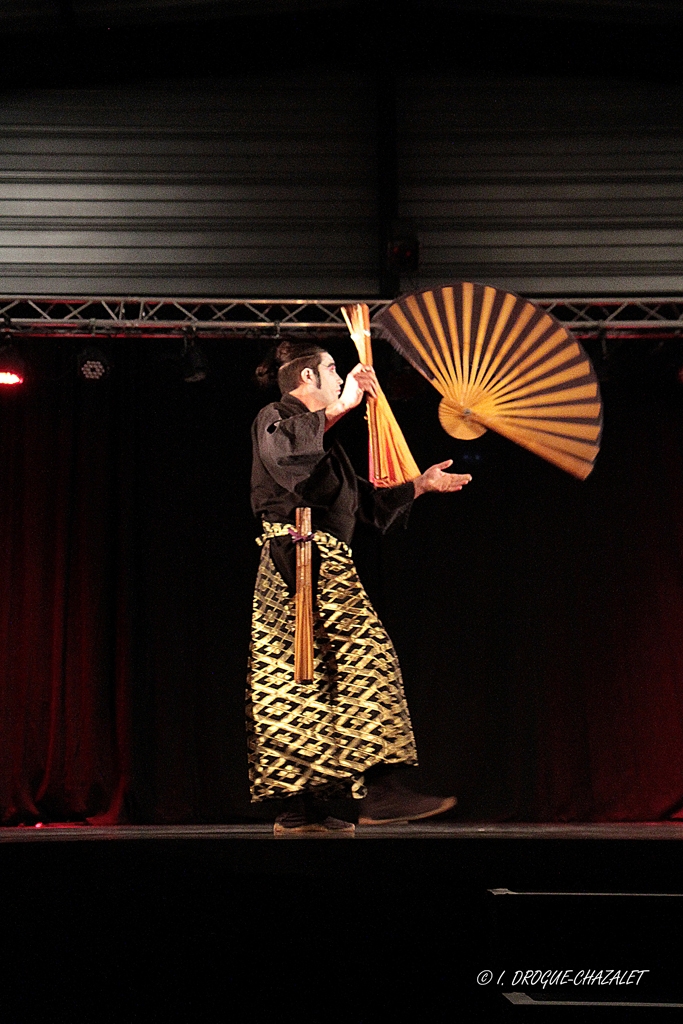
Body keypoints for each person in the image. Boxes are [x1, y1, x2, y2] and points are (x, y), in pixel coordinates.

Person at [248, 339, 472, 834]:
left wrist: (419, 485)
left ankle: (309, 807)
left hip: (323, 560)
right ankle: (375, 791)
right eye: (332, 370)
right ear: (308, 379)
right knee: (337, 669)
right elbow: (287, 458)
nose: (340, 378)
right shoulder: (275, 417)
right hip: (296, 560)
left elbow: (361, 504)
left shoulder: (326, 443)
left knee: (318, 683)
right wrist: (347, 404)